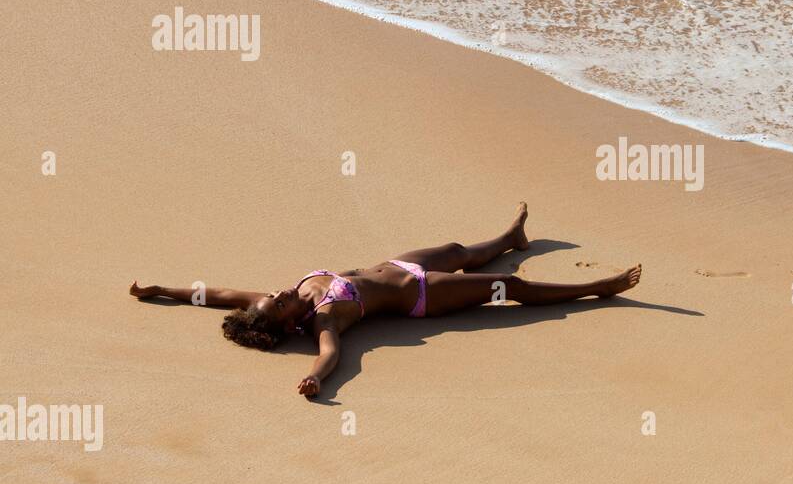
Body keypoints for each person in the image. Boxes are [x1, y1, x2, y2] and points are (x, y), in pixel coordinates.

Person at [129, 203, 640, 397]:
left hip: (399, 265)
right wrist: (316, 379)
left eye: (273, 296)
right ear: (288, 325)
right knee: (507, 291)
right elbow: (332, 354)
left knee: (459, 250)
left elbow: (216, 293)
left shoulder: (272, 302)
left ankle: (511, 239)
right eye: (279, 303)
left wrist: (162, 290)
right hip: (420, 295)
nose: (280, 293)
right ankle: (597, 289)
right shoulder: (323, 319)